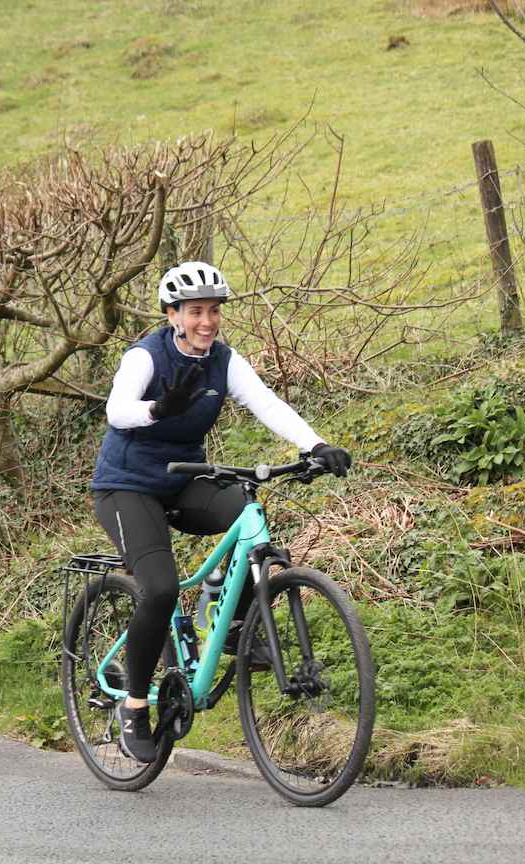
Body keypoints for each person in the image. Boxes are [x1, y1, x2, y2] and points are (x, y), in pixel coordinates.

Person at [90, 261, 352, 763]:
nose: (206, 321)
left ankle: (229, 623)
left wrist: (316, 443)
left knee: (246, 514)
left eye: (213, 311)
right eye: (194, 312)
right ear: (172, 314)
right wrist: (158, 409)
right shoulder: (146, 358)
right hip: (127, 486)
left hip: (185, 479)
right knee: (162, 588)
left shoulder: (223, 362)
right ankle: (136, 707)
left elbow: (268, 404)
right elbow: (117, 409)